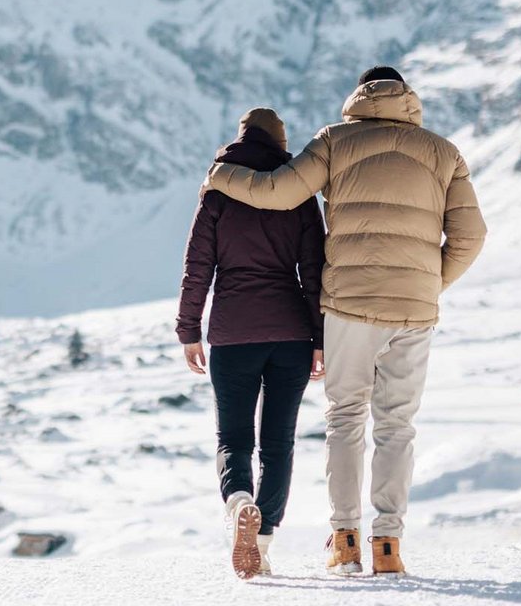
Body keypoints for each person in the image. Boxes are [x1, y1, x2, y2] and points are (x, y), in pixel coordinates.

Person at [199, 66, 485, 577]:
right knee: (398, 425)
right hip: (413, 310)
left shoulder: (335, 140)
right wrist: (424, 283)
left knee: (347, 417)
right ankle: (389, 546)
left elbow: (281, 193)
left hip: (350, 305)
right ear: (409, 101)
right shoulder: (444, 152)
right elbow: (470, 236)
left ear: (359, 98)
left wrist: (221, 175)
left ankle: (346, 540)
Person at [176, 107, 326, 580]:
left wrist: (188, 331)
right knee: (278, 442)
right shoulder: (299, 195)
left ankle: (239, 499)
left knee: (233, 438)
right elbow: (315, 273)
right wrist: (320, 339)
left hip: (232, 334)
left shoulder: (217, 193)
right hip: (291, 335)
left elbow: (197, 269)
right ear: (281, 145)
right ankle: (262, 541)